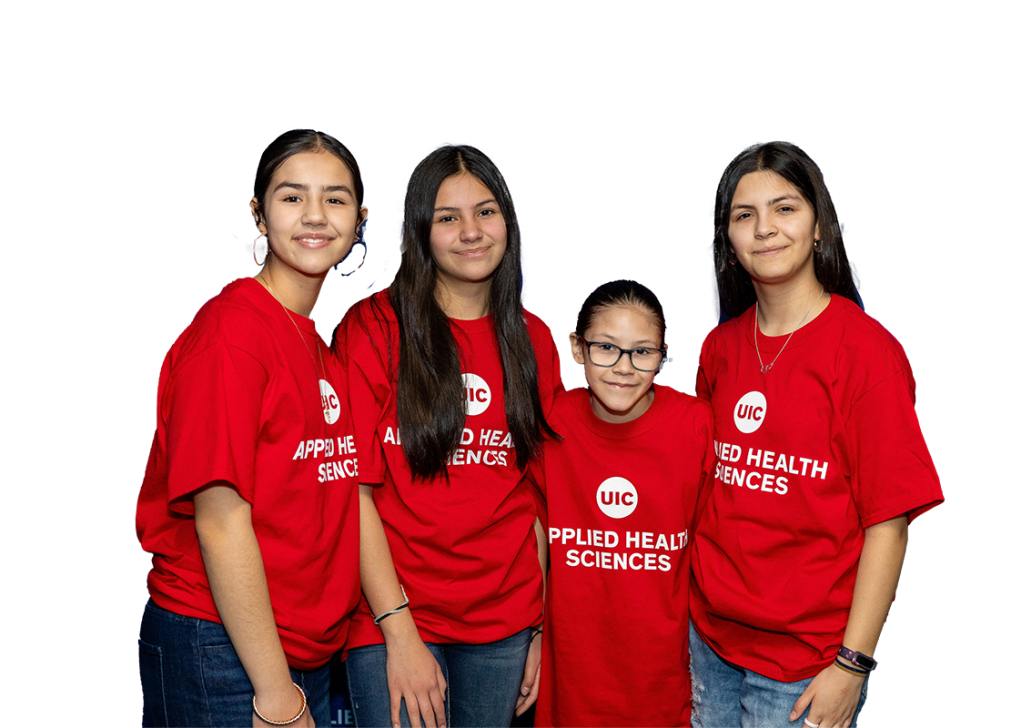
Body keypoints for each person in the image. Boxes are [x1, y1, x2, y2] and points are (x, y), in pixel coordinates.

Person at [136, 129, 389, 727]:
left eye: (336, 198)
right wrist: (276, 695)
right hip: (223, 649)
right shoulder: (232, 336)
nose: (316, 216)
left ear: (358, 220)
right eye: (292, 197)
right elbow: (220, 522)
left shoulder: (317, 343)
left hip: (293, 648)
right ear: (258, 215)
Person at [689, 141, 944, 728]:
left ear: (820, 227)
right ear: (727, 243)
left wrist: (852, 666)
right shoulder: (719, 349)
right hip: (709, 643)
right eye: (743, 215)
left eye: (785, 208)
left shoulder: (866, 353)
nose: (764, 229)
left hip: (806, 664)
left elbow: (889, 523)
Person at [333, 144, 563, 728]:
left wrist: (536, 626)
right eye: (447, 217)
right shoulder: (375, 328)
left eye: (485, 212)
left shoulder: (533, 340)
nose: (471, 232)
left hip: (503, 624)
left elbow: (534, 497)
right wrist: (401, 635)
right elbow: (352, 492)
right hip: (395, 618)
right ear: (420, 232)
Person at [528, 280, 714, 727]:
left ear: (662, 355)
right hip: (571, 681)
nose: (624, 368)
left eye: (642, 352)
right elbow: (530, 532)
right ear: (577, 349)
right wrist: (531, 634)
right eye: (606, 348)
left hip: (665, 684)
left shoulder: (696, 426)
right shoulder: (550, 424)